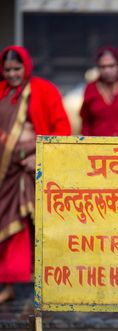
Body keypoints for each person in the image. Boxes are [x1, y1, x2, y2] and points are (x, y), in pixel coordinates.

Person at [0, 45, 71, 303]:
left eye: (17, 69)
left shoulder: (44, 90)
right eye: (7, 70)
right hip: (5, 174)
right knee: (8, 227)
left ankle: (46, 283)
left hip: (35, 170)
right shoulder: (1, 92)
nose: (12, 75)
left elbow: (62, 129)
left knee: (38, 224)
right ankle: (8, 285)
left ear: (26, 67)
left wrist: (39, 156)